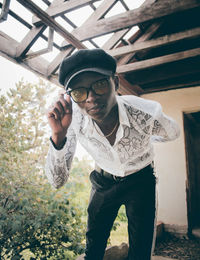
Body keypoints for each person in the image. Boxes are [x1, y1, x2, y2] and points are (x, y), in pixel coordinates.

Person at [45, 48, 180, 260]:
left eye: (99, 85)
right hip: (103, 181)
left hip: (141, 181)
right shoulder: (72, 122)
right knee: (94, 244)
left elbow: (172, 133)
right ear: (70, 97)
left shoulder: (145, 113)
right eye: (79, 92)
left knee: (142, 248)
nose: (91, 98)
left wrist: (145, 141)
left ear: (115, 83)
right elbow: (57, 181)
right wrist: (58, 135)